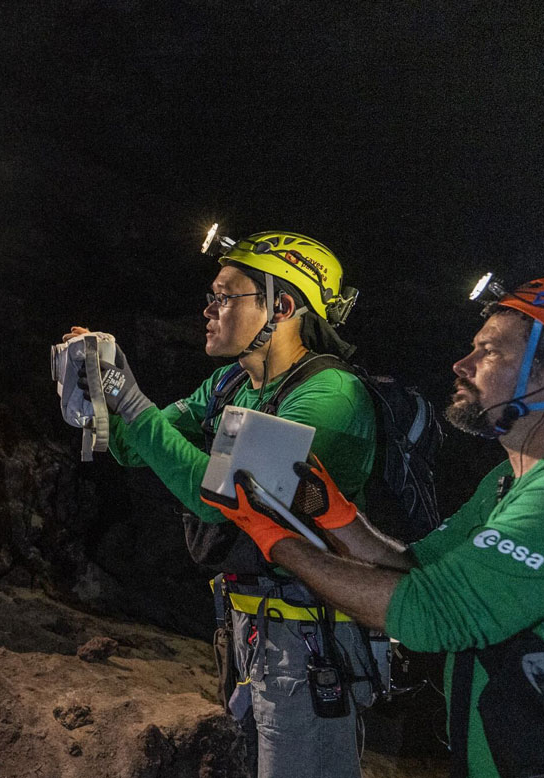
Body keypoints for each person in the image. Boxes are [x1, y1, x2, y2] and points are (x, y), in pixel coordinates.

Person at [203, 273, 544, 777]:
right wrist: (337, 516)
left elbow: (432, 614)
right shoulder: (513, 475)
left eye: (491, 352)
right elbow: (416, 569)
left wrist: (276, 542)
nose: (462, 364)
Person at [69, 231, 376, 778]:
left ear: (280, 307)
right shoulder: (233, 381)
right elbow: (136, 449)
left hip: (312, 644)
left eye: (224, 296)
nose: (208, 309)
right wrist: (101, 388)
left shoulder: (330, 397)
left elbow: (224, 503)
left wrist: (129, 400)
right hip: (251, 626)